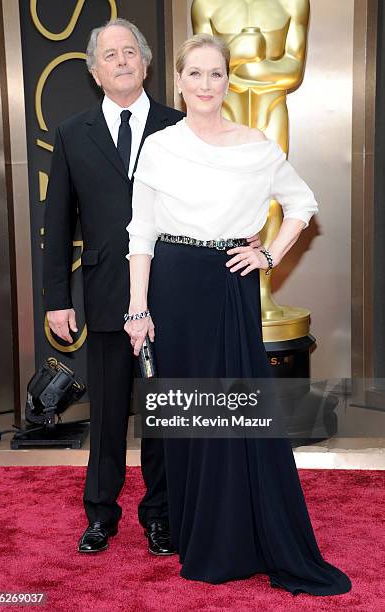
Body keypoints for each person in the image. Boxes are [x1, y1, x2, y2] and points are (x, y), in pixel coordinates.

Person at [125, 33, 352, 595]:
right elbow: (141, 234)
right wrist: (138, 307)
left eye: (216, 74)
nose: (206, 85)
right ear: (177, 80)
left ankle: (243, 537)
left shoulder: (255, 145)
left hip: (230, 287)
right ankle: (199, 533)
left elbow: (303, 205)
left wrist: (268, 254)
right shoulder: (158, 146)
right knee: (187, 419)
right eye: (195, 74)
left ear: (229, 82)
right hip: (173, 286)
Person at [43, 19, 261, 556]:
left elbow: (226, 196)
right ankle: (101, 515)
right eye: (109, 55)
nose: (121, 61)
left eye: (130, 53)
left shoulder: (182, 123)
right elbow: (57, 221)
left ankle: (161, 515)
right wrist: (55, 300)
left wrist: (253, 233)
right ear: (95, 72)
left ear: (146, 64)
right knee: (109, 412)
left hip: (176, 293)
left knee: (169, 414)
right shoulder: (73, 132)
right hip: (109, 293)